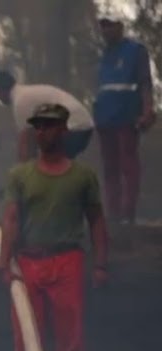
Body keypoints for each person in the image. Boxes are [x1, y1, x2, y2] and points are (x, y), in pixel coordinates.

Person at [0, 103, 109, 351]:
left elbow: (96, 221)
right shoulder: (20, 175)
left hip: (67, 261)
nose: (42, 131)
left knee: (70, 340)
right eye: (39, 126)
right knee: (26, 341)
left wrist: (100, 264)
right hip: (29, 262)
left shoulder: (83, 176)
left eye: (49, 125)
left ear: (64, 129)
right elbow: (11, 220)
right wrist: (5, 262)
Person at [93, 14, 155, 225]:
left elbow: (145, 83)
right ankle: (114, 214)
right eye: (103, 26)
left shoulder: (136, 51)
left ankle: (129, 213)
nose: (105, 30)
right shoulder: (104, 54)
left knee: (128, 165)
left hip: (126, 117)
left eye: (110, 25)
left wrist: (147, 110)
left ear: (120, 26)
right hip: (105, 118)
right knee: (109, 168)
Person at [0, 71, 95, 161]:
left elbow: (26, 145)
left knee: (53, 165)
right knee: (53, 163)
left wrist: (21, 175)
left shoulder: (20, 101)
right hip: (81, 124)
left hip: (74, 126)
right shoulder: (25, 93)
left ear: (0, 90)